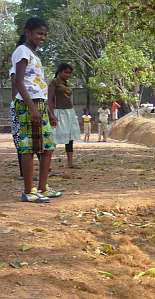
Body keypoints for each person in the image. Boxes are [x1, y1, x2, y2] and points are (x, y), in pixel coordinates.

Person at [12, 17, 61, 202]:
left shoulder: (35, 55)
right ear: (28, 32)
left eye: (45, 34)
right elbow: (18, 82)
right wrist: (32, 108)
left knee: (47, 147)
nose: (43, 37)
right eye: (39, 33)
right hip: (27, 105)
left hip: (39, 105)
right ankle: (28, 191)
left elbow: (39, 87)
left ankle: (42, 187)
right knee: (27, 149)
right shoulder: (22, 52)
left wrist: (48, 112)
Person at [48, 63, 81, 169]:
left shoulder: (65, 83)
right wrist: (51, 114)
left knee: (70, 138)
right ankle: (47, 165)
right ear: (59, 71)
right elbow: (49, 100)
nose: (68, 75)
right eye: (66, 72)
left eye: (69, 73)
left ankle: (70, 163)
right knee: (54, 138)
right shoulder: (54, 82)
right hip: (58, 112)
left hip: (69, 112)